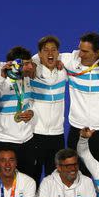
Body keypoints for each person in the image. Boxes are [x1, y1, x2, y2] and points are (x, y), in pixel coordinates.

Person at [51, 24, 99, 169]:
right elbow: (43, 56)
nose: (80, 54)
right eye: (80, 49)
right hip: (77, 130)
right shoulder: (71, 61)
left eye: (85, 51)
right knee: (76, 177)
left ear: (97, 52)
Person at [0, 47, 38, 180]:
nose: (29, 67)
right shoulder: (0, 79)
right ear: (15, 65)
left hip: (27, 140)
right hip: (5, 141)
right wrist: (2, 77)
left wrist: (31, 112)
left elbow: (30, 101)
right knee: (5, 184)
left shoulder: (27, 79)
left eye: (30, 63)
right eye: (26, 64)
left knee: (29, 182)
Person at [30, 36, 67, 180]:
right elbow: (9, 64)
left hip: (57, 135)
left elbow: (79, 57)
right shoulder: (32, 70)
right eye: (45, 50)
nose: (50, 53)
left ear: (58, 53)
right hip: (35, 134)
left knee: (55, 180)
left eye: (53, 50)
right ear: (39, 54)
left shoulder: (63, 71)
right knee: (33, 178)